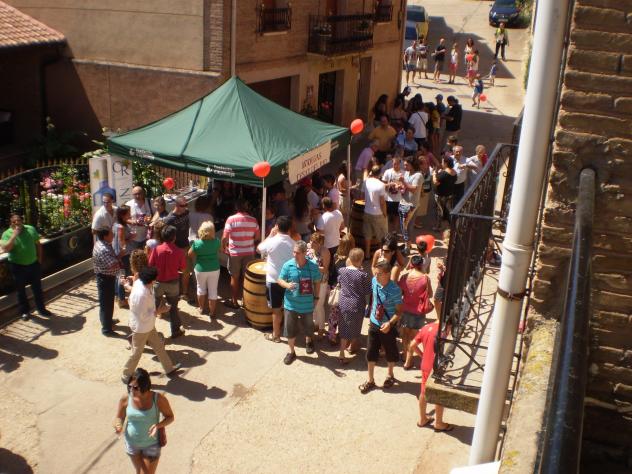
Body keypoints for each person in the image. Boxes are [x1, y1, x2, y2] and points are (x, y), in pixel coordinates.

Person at [114, 368, 175, 473]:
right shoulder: (126, 398)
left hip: (151, 444)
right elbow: (119, 417)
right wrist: (118, 425)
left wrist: (158, 426)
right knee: (139, 472)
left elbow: (170, 417)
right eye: (129, 386)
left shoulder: (158, 399)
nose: (131, 390)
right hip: (132, 444)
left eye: (135, 387)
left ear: (145, 386)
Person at [359, 259, 402, 394]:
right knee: (371, 352)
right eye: (376, 273)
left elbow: (399, 312)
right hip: (374, 323)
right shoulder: (374, 281)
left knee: (390, 351)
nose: (376, 276)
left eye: (379, 274)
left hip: (388, 326)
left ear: (388, 274)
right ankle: (370, 380)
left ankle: (390, 375)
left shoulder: (395, 290)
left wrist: (390, 323)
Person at [277, 240, 321, 365]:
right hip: (290, 305)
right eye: (294, 252)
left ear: (304, 253)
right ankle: (291, 352)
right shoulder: (288, 265)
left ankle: (308, 341)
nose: (294, 255)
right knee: (290, 330)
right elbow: (280, 280)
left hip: (307, 305)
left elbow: (317, 282)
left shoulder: (313, 266)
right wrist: (287, 285)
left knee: (308, 327)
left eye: (297, 253)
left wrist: (316, 298)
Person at [1, 214, 52, 321]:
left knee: (37, 288)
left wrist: (39, 260)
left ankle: (41, 309)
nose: (17, 223)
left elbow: (38, 244)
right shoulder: (6, 234)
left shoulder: (30, 229)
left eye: (18, 220)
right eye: (14, 221)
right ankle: (24, 311)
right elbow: (6, 249)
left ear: (22, 221)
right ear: (11, 223)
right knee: (21, 290)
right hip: (17, 266)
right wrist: (14, 235)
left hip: (33, 264)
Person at [408, 321, 454, 431]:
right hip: (436, 366)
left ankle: (422, 419)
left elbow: (412, 345)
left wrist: (422, 355)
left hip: (425, 364)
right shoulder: (444, 331)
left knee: (423, 392)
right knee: (439, 393)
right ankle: (439, 423)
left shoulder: (426, 327)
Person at [257, 215, 295, 343]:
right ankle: (290, 335)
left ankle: (276, 335)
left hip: (273, 281)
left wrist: (270, 235)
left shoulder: (272, 241)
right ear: (289, 228)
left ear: (277, 227)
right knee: (289, 309)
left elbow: (259, 249)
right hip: (289, 281)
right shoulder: (293, 243)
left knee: (276, 310)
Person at [149, 225, 186, 339]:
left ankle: (147, 332)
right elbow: (183, 268)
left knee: (152, 309)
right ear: (174, 237)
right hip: (173, 283)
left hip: (158, 283)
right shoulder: (179, 251)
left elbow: (150, 265)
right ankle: (175, 331)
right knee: (173, 308)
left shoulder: (156, 249)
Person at [221, 201, 260, 309]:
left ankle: (234, 302)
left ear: (236, 208)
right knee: (247, 277)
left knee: (234, 277)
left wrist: (223, 247)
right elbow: (257, 238)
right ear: (247, 208)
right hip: (249, 252)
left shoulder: (231, 219)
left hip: (235, 253)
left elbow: (224, 237)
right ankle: (245, 300)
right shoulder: (253, 220)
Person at [336, 247, 371, 364]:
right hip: (357, 304)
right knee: (356, 326)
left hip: (343, 303)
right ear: (361, 259)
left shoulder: (342, 270)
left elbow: (339, 281)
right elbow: (367, 290)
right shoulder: (363, 275)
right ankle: (351, 347)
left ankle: (343, 351)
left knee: (344, 327)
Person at [400, 254, 433, 369]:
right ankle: (408, 362)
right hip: (418, 311)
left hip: (405, 309)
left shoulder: (404, 277)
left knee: (405, 335)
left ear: (411, 264)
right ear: (421, 264)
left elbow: (400, 293)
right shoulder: (425, 279)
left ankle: (404, 355)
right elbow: (430, 295)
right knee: (414, 337)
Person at [188, 221, 220, 318]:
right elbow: (221, 250)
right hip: (214, 268)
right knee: (213, 290)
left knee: (201, 289)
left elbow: (190, 254)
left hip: (200, 269)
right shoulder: (217, 241)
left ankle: (201, 309)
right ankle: (212, 312)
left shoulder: (197, 243)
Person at [326, 233, 354, 344]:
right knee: (345, 315)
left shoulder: (336, 256)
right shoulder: (351, 260)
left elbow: (332, 272)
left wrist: (330, 286)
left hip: (335, 288)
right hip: (346, 291)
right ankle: (344, 337)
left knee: (334, 314)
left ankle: (331, 336)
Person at [163, 196, 191, 302]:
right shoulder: (169, 219)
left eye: (186, 205)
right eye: (183, 205)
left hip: (185, 246)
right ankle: (172, 293)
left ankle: (185, 293)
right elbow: (165, 235)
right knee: (173, 271)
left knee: (186, 271)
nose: (186, 207)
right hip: (174, 248)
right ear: (177, 205)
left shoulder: (186, 212)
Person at [92, 227, 120, 335]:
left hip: (106, 278)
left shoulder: (101, 244)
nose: (113, 235)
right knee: (106, 305)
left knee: (106, 303)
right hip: (105, 279)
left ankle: (107, 321)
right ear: (105, 236)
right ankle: (107, 330)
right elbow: (112, 265)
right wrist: (120, 257)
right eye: (111, 234)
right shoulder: (103, 249)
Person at [306, 232, 330, 338]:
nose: (311, 243)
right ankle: (316, 324)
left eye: (314, 242)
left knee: (319, 305)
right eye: (311, 240)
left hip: (321, 281)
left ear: (320, 243)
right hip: (311, 281)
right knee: (312, 304)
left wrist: (312, 266)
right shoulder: (309, 249)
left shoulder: (325, 251)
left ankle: (321, 328)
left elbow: (325, 269)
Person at [361, 165, 388, 259]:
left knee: (367, 235)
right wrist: (385, 213)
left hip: (367, 211)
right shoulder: (381, 185)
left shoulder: (366, 182)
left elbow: (362, 196)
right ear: (380, 173)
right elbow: (382, 202)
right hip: (378, 213)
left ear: (371, 172)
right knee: (381, 236)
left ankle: (367, 254)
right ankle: (382, 254)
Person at [399, 158, 423, 249]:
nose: (404, 166)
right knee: (406, 225)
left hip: (411, 205)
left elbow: (413, 189)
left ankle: (407, 246)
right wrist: (400, 187)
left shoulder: (418, 175)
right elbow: (405, 187)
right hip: (404, 202)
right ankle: (408, 244)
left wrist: (403, 181)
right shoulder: (406, 173)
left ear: (412, 165)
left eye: (406, 165)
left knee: (406, 226)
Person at [113, 205, 134, 308]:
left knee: (119, 275)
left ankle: (118, 296)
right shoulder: (121, 227)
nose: (130, 215)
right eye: (128, 213)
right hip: (123, 255)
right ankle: (121, 299)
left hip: (119, 254)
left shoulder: (116, 224)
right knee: (122, 276)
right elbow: (122, 243)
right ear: (122, 215)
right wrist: (131, 238)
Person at [433, 157, 457, 231]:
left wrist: (434, 174)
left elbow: (436, 182)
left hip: (441, 195)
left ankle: (438, 227)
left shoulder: (444, 173)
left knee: (439, 211)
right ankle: (451, 226)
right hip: (449, 195)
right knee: (448, 210)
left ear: (446, 163)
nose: (441, 163)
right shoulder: (454, 172)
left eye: (442, 162)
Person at [382, 155, 405, 232]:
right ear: (392, 163)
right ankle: (387, 231)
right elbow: (383, 185)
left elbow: (405, 186)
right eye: (394, 163)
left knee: (397, 216)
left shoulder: (403, 173)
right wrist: (390, 184)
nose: (395, 165)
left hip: (399, 199)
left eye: (397, 164)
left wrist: (401, 186)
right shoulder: (387, 172)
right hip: (388, 198)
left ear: (400, 164)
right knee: (387, 215)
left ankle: (394, 231)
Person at [126, 186, 152, 251]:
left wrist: (151, 220)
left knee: (145, 256)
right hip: (134, 238)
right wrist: (133, 221)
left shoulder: (149, 202)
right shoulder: (128, 204)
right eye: (135, 194)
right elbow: (124, 219)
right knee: (134, 255)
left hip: (147, 237)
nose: (137, 196)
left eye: (139, 193)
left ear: (143, 193)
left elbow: (157, 213)